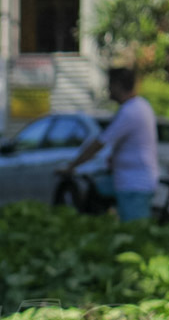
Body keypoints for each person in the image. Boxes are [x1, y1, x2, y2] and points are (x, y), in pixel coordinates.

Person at [60, 67, 158, 222]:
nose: (108, 90)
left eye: (110, 85)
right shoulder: (141, 106)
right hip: (132, 180)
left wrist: (71, 167)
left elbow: (100, 143)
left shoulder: (130, 111)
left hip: (133, 184)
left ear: (118, 85)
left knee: (136, 235)